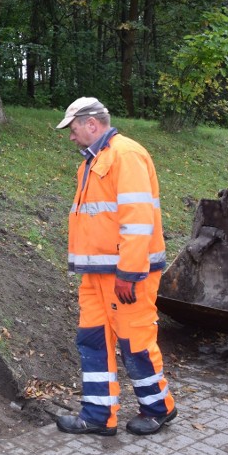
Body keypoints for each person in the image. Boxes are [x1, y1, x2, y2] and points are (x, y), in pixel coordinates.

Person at [54, 97, 177, 437]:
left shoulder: (126, 155)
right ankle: (97, 415)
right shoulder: (91, 164)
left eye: (73, 128)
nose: (71, 136)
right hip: (95, 275)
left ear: (92, 124)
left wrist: (130, 271)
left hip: (126, 275)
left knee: (135, 342)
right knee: (91, 340)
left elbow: (138, 220)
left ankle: (159, 408)